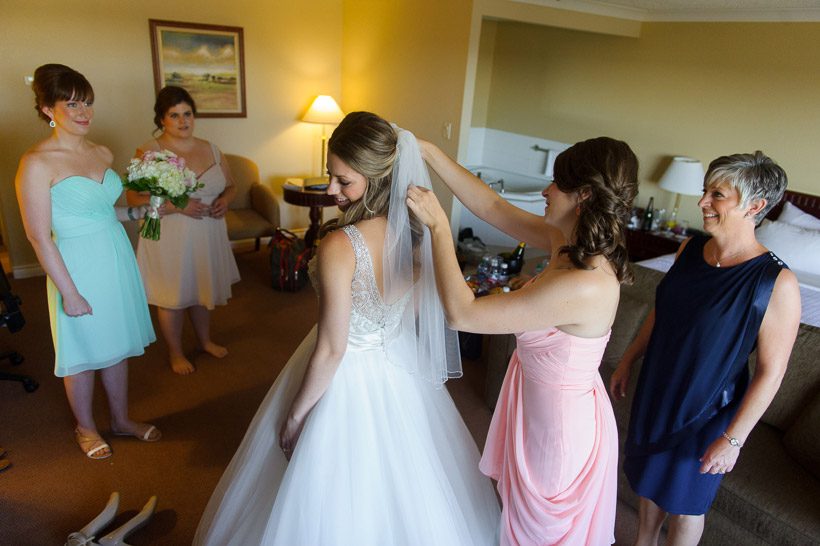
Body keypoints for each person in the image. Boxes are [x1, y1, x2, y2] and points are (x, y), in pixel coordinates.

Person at [194, 112, 500, 546]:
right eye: (330, 176)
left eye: (343, 181)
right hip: (398, 364)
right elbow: (409, 310)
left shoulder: (341, 244)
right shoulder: (413, 232)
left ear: (376, 180)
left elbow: (332, 349)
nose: (330, 190)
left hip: (346, 369)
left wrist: (295, 417)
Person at [406, 137, 639, 545]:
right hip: (539, 409)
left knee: (536, 534)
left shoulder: (585, 283)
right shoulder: (567, 245)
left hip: (558, 434)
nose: (546, 191)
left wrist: (439, 227)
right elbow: (493, 207)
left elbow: (463, 314)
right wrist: (427, 150)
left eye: (557, 183)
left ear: (584, 195)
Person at [609, 152, 800, 545]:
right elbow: (662, 313)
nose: (702, 202)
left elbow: (772, 372)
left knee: (687, 504)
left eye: (717, 195)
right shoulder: (689, 250)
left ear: (755, 206)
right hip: (658, 390)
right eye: (705, 191)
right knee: (648, 485)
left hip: (708, 409)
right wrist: (629, 358)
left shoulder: (776, 282)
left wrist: (733, 440)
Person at [15, 64, 159, 460]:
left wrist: (138, 212)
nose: (84, 112)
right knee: (82, 349)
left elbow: (102, 212)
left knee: (116, 342)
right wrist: (70, 293)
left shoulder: (102, 152)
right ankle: (86, 427)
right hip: (74, 265)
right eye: (73, 104)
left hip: (114, 255)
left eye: (88, 103)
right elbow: (38, 235)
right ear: (48, 109)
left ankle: (121, 419)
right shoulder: (36, 162)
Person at [126, 86, 240, 375]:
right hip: (170, 234)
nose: (183, 121)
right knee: (172, 296)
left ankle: (204, 341)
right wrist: (178, 205)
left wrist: (225, 201)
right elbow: (134, 198)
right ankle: (175, 352)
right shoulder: (150, 152)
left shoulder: (212, 148)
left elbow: (231, 186)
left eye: (187, 114)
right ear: (161, 119)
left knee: (201, 288)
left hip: (207, 231)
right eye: (174, 115)